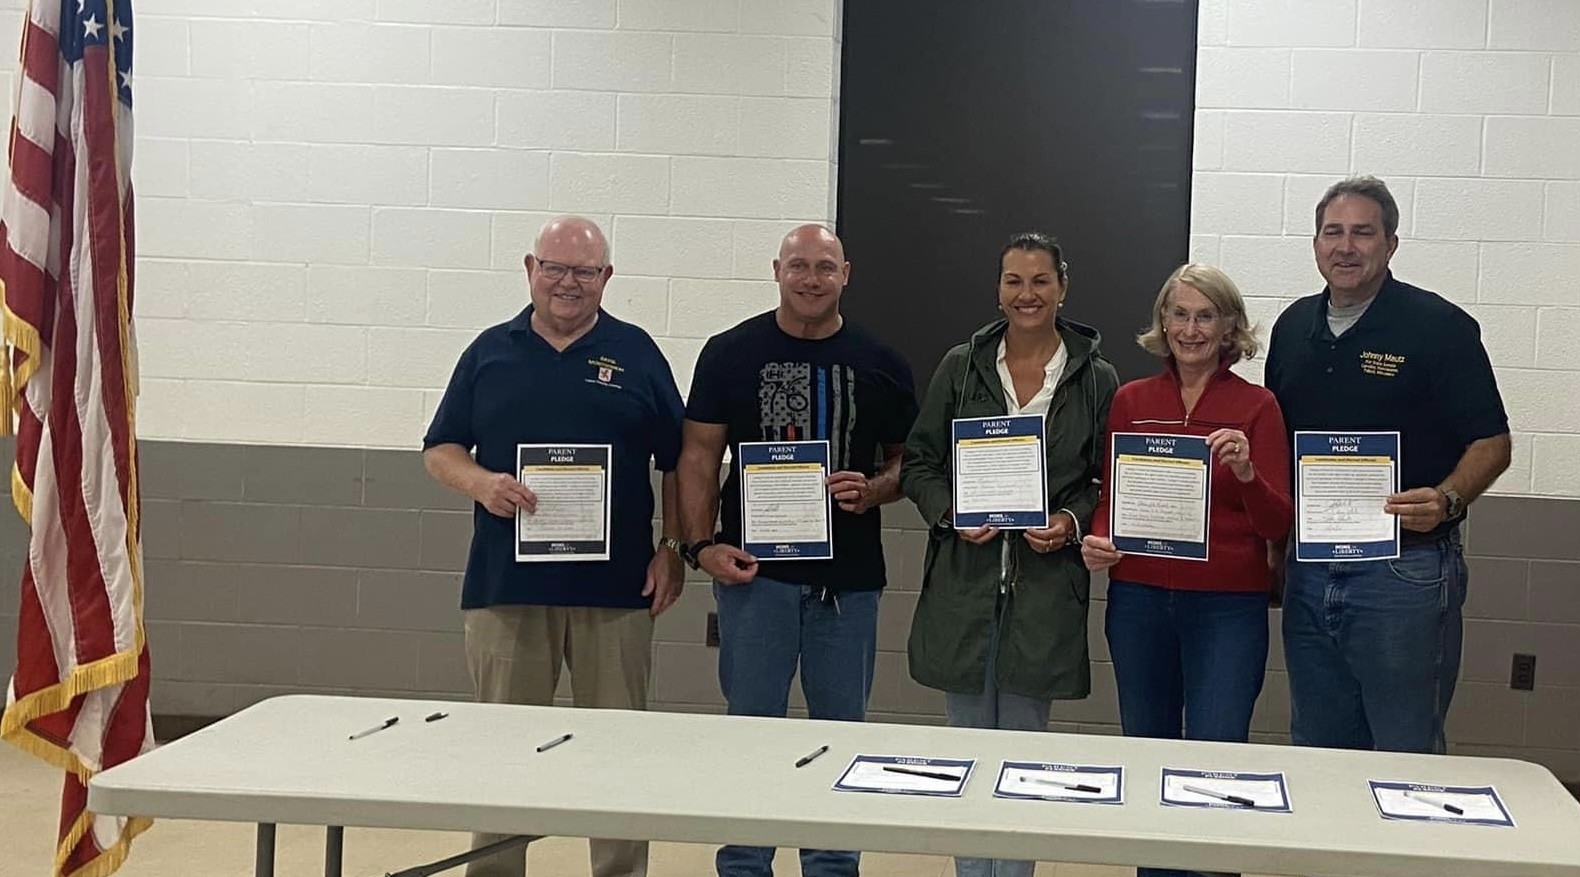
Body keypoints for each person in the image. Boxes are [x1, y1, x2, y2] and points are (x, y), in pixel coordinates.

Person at [422, 216, 686, 877]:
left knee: (616, 755)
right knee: (504, 757)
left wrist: (674, 545)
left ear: (607, 278)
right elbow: (440, 449)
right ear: (530, 268)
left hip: (618, 591)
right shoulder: (489, 353)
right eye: (555, 267)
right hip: (506, 591)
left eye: (585, 271)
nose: (568, 283)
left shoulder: (638, 353)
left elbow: (680, 460)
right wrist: (481, 482)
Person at [674, 223, 918, 877]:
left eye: (825, 267)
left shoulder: (882, 361)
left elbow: (906, 464)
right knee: (751, 728)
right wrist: (701, 546)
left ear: (847, 274)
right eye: (799, 265)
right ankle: (746, 862)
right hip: (755, 579)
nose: (811, 278)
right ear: (776, 269)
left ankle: (833, 862)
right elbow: (698, 454)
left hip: (850, 582)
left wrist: (873, 490)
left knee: (840, 735)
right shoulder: (729, 352)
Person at [1265, 175, 1511, 755]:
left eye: (1362, 233)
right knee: (1318, 747)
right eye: (1332, 232)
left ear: (1391, 244)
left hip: (1404, 572)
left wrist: (1448, 498)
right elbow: (1279, 443)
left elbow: (1492, 442)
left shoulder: (1438, 327)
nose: (1345, 246)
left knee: (1405, 752)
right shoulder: (1292, 327)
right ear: (1315, 242)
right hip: (1311, 565)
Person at [900, 232, 1119, 877]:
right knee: (968, 762)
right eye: (1013, 281)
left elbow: (1104, 478)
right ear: (998, 288)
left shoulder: (1095, 377)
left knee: (1025, 765)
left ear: (1063, 287)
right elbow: (920, 462)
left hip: (1045, 590)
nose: (1026, 294)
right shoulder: (959, 367)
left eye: (1040, 281)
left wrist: (1072, 520)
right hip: (966, 586)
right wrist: (949, 511)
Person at [1079, 263, 1289, 877]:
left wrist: (1249, 475)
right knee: (1147, 758)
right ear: (1162, 322)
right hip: (1139, 600)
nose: (1190, 329)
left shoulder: (1257, 406)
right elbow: (1109, 502)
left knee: (1215, 764)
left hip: (1227, 608)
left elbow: (1278, 524)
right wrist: (1097, 538)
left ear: (1228, 329)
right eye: (1179, 314)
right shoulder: (1132, 400)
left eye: (1205, 316)